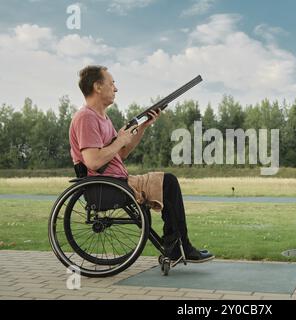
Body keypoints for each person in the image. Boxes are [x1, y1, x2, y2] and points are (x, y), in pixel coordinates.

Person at [69, 65, 214, 263]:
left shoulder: (102, 118)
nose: (116, 89)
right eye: (112, 83)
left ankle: (176, 245)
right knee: (168, 182)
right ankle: (180, 247)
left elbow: (121, 153)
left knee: (167, 183)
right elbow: (93, 161)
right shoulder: (86, 117)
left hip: (117, 181)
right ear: (97, 87)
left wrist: (142, 127)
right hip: (107, 186)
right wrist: (120, 139)